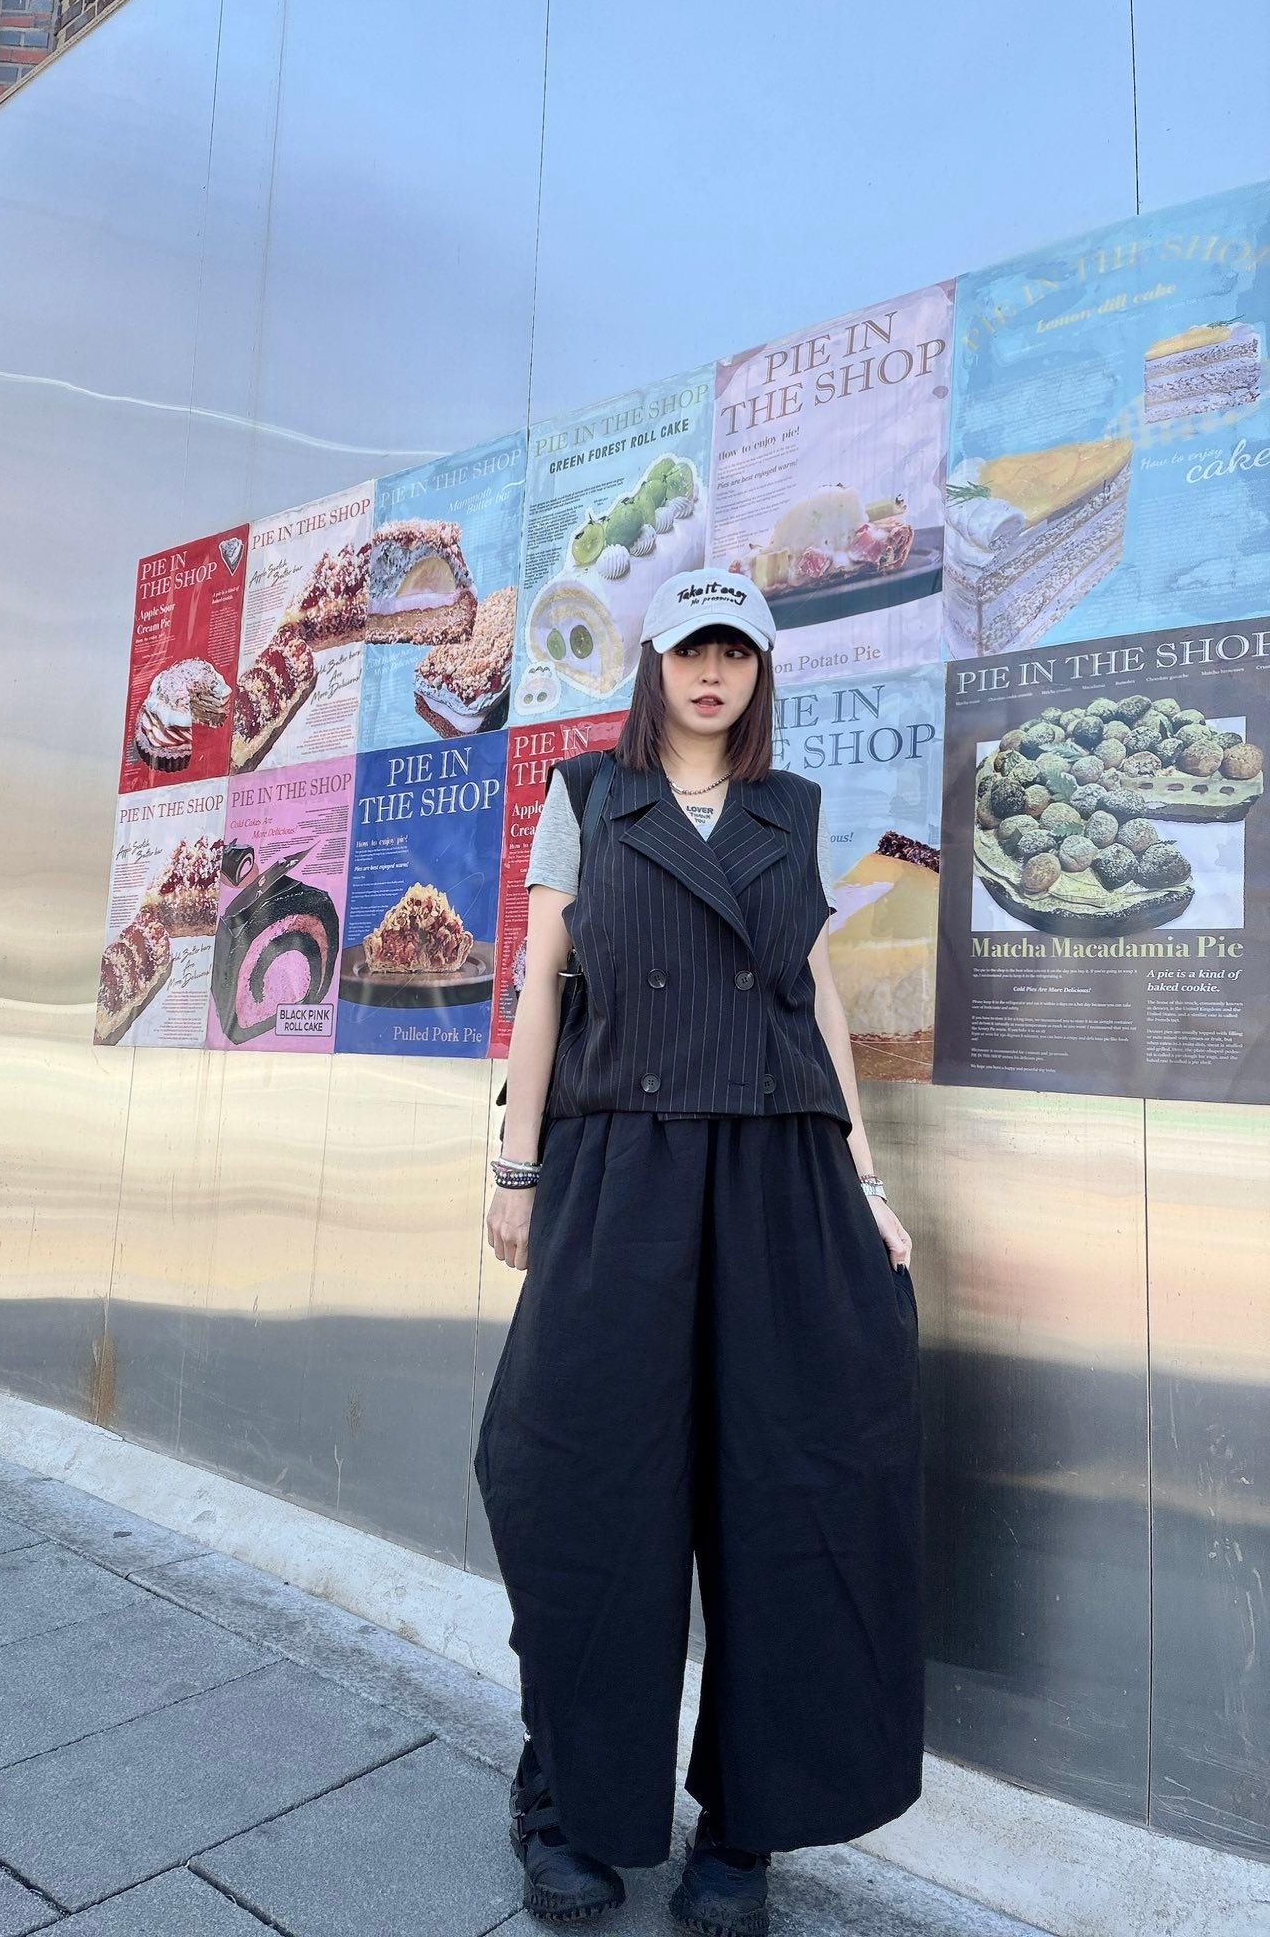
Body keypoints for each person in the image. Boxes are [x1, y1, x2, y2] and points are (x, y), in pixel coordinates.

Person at [473, 568, 923, 1934]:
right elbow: (542, 984)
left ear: (760, 671)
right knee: (581, 1485)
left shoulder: (792, 810)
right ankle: (568, 1800)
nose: (711, 673)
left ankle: (744, 1830)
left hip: (780, 1174)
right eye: (690, 650)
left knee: (788, 1498)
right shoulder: (588, 796)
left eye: (735, 652)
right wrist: (517, 1166)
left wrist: (865, 1178)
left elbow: (815, 999)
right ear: (654, 663)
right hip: (623, 1166)